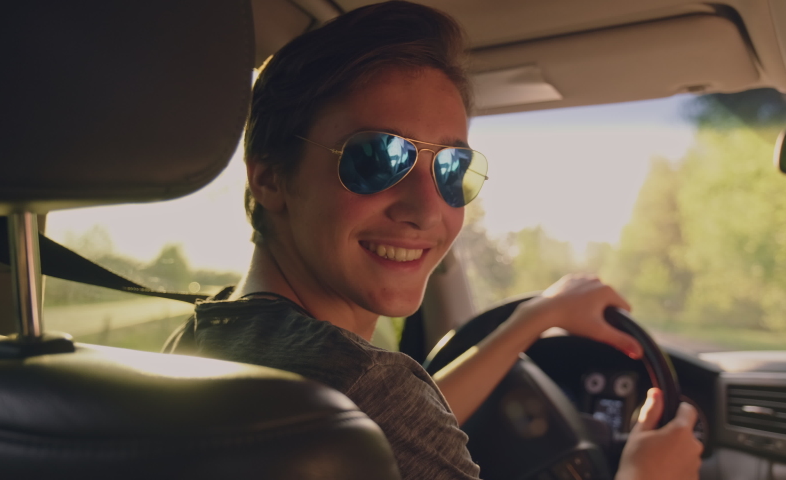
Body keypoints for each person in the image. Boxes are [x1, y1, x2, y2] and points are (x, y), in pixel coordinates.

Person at [173, 2, 703, 479]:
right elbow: (386, 410)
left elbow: (398, 421)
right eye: (377, 157)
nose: (429, 209)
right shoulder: (361, 385)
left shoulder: (208, 337)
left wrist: (537, 318)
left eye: (453, 168)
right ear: (269, 177)